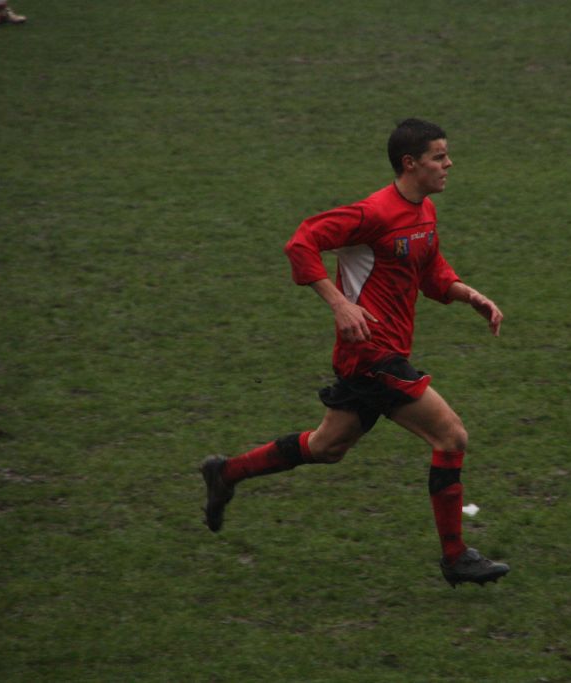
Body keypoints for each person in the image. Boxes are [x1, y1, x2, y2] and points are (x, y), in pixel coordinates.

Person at [201, 118, 510, 588]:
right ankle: (455, 557)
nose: (449, 164)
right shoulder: (373, 213)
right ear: (411, 163)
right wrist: (340, 303)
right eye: (439, 156)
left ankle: (226, 472)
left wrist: (471, 296)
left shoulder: (423, 211)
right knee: (451, 437)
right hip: (371, 355)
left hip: (380, 354)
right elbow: (301, 242)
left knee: (328, 447)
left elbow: (430, 272)